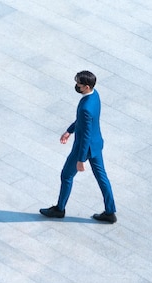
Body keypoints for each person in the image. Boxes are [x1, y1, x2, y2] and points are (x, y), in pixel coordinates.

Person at [40, 70, 117, 223]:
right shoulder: (95, 95)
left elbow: (85, 134)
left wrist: (81, 159)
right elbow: (84, 122)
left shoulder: (85, 108)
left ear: (86, 86)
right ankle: (110, 212)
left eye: (79, 85)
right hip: (96, 145)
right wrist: (70, 131)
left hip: (84, 148)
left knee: (66, 175)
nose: (77, 86)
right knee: (102, 177)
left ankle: (59, 209)